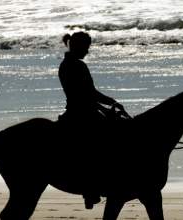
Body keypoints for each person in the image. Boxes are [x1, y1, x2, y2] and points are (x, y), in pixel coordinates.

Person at [57, 31, 126, 209]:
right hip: (81, 114)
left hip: (80, 110)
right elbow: (86, 95)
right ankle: (92, 189)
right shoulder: (76, 66)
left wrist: (110, 102)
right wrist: (107, 105)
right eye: (86, 48)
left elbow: (89, 94)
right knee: (102, 144)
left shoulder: (67, 64)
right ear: (78, 47)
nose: (87, 51)